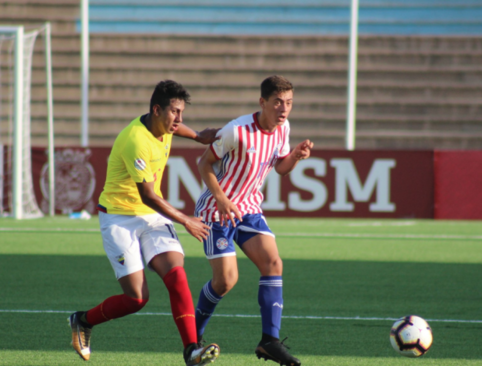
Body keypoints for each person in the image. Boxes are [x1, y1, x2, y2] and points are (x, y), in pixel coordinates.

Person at [68, 80, 220, 365]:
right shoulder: (136, 140)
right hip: (119, 218)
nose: (180, 119)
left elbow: (181, 130)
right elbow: (148, 195)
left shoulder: (163, 125)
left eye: (182, 112)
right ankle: (82, 321)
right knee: (137, 298)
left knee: (177, 275)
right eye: (175, 112)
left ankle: (191, 350)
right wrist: (186, 220)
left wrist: (199, 136)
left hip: (151, 217)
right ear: (157, 110)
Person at [193, 75, 312, 366]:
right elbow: (204, 164)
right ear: (263, 102)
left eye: (289, 103)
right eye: (278, 103)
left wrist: (295, 157)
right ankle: (192, 336)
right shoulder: (237, 130)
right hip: (215, 209)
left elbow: (281, 168)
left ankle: (269, 341)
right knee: (226, 281)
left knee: (273, 263)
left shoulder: (283, 128)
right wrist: (221, 198)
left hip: (248, 207)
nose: (284, 109)